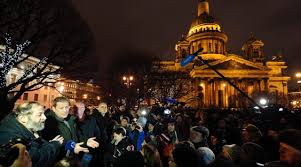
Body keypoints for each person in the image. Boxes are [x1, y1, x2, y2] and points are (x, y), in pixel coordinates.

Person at [0, 102, 63, 167]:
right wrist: (54, 145)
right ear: (23, 118)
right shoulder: (9, 136)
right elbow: (35, 160)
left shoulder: (31, 127)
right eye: (39, 114)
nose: (45, 117)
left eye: (43, 113)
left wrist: (49, 144)